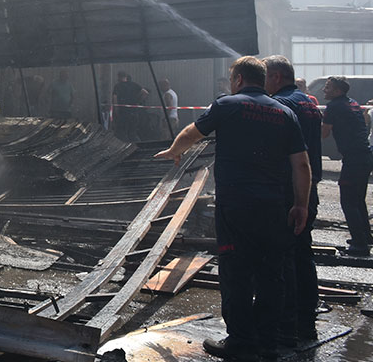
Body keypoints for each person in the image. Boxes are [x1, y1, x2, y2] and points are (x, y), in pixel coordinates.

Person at [154, 56, 310, 360]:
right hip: (274, 207)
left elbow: (191, 132)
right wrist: (301, 205)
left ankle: (240, 342)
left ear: (238, 79)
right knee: (271, 274)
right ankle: (267, 341)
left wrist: (174, 150)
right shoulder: (286, 113)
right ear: (263, 80)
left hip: (236, 206)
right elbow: (301, 165)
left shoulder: (227, 105)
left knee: (236, 271)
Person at [265, 56, 323, 344]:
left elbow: (281, 153)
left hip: (290, 191)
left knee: (284, 257)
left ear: (276, 76)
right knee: (303, 255)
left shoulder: (283, 105)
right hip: (308, 189)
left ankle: (285, 327)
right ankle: (305, 321)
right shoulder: (309, 102)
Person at [320, 76, 372, 257]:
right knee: (358, 200)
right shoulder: (353, 103)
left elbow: (324, 134)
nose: (324, 90)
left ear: (337, 90)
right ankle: (364, 237)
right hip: (364, 155)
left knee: (348, 201)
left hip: (354, 158)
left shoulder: (334, 106)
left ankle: (359, 245)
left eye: (328, 87)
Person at [113, 72, 147, 141]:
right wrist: (138, 101)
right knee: (133, 132)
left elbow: (115, 98)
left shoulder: (118, 86)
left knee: (122, 132)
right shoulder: (134, 85)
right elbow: (145, 92)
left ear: (119, 77)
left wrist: (116, 109)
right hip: (134, 112)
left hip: (123, 112)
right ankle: (138, 146)